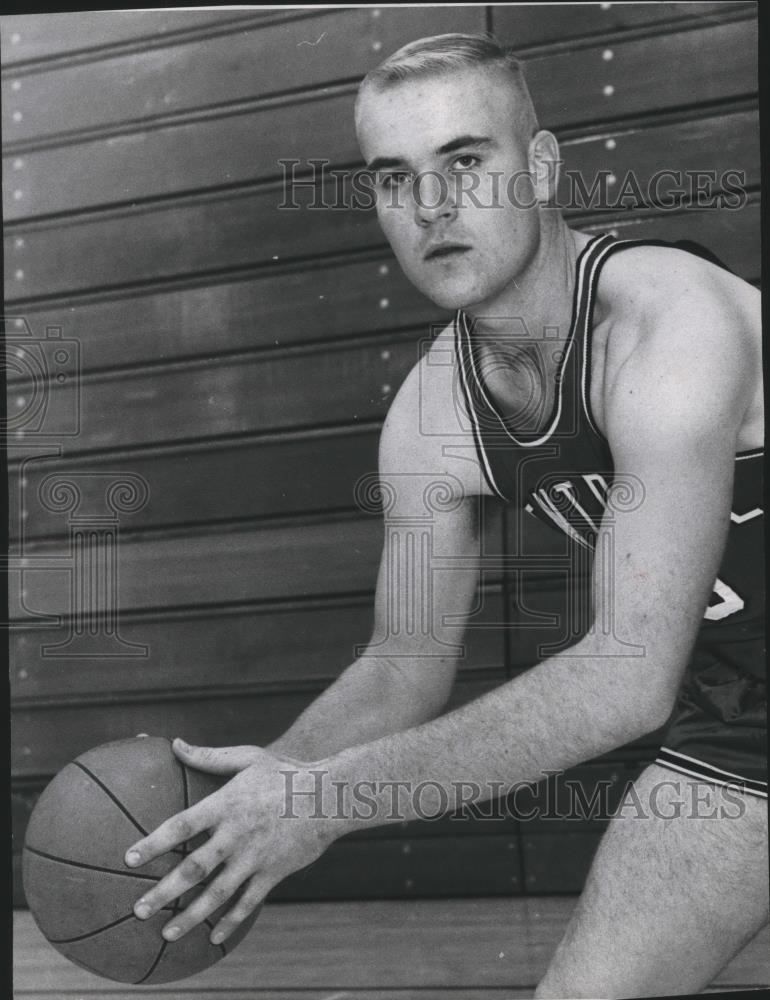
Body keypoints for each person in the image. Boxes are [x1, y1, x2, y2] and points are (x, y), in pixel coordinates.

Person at [123, 34, 767, 997]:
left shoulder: (666, 332)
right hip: (744, 730)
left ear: (542, 167)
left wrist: (326, 801)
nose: (431, 207)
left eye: (467, 162)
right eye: (395, 179)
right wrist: (276, 784)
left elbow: (626, 682)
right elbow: (401, 665)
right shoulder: (431, 418)